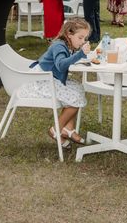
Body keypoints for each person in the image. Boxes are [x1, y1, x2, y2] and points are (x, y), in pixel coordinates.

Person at [23, 18, 91, 147]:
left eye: (85, 38)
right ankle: (56, 129)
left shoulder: (68, 44)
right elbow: (60, 65)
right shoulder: (59, 46)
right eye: (80, 38)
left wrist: (82, 54)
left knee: (78, 88)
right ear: (69, 34)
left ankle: (68, 128)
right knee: (74, 97)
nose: (83, 41)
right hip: (42, 80)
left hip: (51, 77)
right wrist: (80, 54)